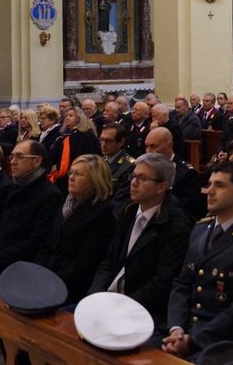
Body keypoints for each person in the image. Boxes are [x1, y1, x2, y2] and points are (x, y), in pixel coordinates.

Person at [162, 161, 233, 357]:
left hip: (219, 343)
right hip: (182, 330)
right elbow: (182, 284)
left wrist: (192, 342)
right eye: (210, 184)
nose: (210, 191)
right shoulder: (200, 228)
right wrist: (176, 329)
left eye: (219, 185)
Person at [89, 152, 193, 330]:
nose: (133, 182)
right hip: (110, 300)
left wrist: (118, 307)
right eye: (133, 176)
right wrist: (95, 297)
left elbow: (161, 283)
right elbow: (109, 262)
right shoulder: (129, 211)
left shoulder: (176, 227)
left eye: (142, 178)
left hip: (141, 311)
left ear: (162, 187)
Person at [0, 140, 62, 278]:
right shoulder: (17, 185)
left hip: (17, 266)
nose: (12, 162)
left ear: (36, 161)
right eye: (12, 156)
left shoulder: (50, 195)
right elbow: (0, 224)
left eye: (20, 156)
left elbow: (35, 243)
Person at [33, 154, 117, 302]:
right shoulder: (66, 205)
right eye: (71, 173)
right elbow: (48, 244)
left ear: (95, 180)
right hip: (48, 276)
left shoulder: (103, 214)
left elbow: (85, 263)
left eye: (78, 174)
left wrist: (48, 281)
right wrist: (36, 271)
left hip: (70, 287)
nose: (71, 178)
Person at [144, 126, 204, 219]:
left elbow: (184, 210)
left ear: (168, 146)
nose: (148, 152)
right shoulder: (144, 168)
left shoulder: (187, 174)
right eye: (146, 147)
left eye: (153, 146)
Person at [46, 105, 99, 194]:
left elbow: (79, 155)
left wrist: (58, 166)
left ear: (79, 118)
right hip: (62, 174)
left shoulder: (85, 135)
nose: (67, 118)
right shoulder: (65, 134)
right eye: (67, 116)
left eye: (71, 116)